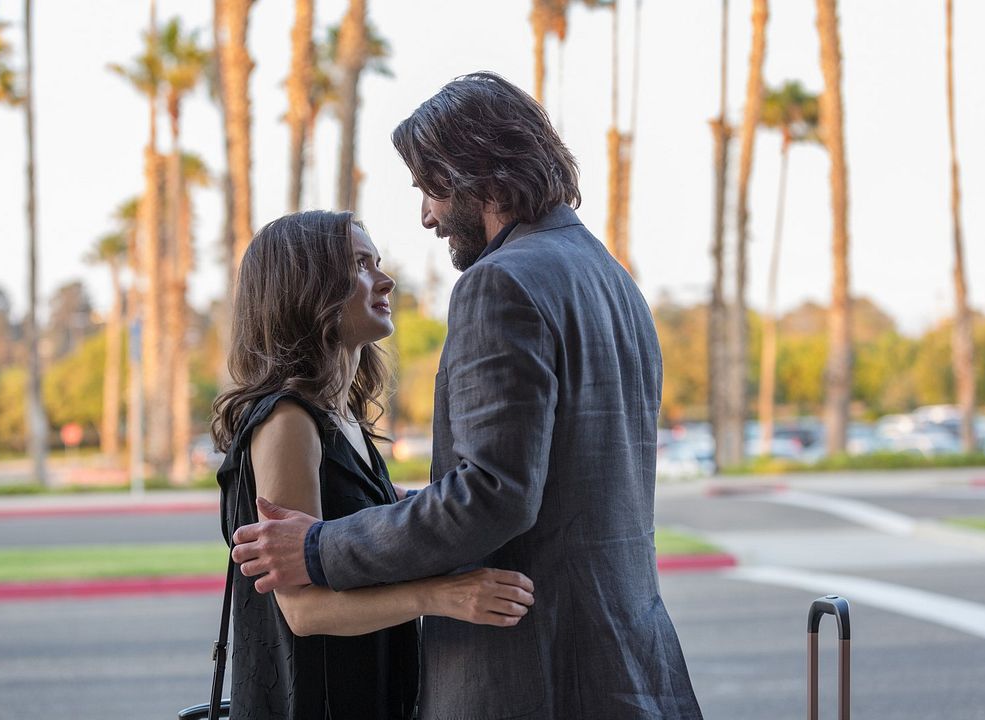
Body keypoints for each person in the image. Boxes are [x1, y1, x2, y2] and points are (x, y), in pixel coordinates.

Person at [232, 73, 704, 719]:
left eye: (430, 188)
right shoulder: (612, 280)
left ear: (474, 175)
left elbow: (494, 493)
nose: (427, 216)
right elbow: (560, 479)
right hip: (631, 665)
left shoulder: (501, 283)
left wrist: (316, 547)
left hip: (530, 678)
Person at [211, 210, 535, 719]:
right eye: (361, 265)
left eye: (377, 262)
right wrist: (442, 596)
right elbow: (304, 610)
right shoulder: (288, 422)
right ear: (307, 287)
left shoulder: (344, 420)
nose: (385, 280)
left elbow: (360, 524)